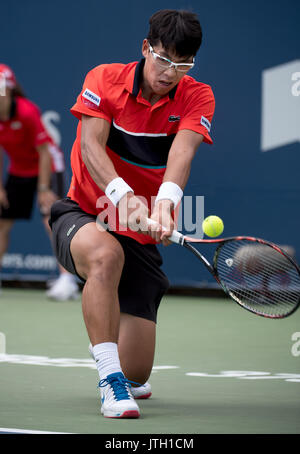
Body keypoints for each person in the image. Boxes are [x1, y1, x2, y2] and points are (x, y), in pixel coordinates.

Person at [49, 9, 215, 418]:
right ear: (146, 48)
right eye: (163, 59)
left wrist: (164, 205)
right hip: (85, 212)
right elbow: (91, 147)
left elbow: (182, 153)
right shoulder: (103, 79)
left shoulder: (197, 95)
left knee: (137, 373)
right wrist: (124, 197)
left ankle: (124, 373)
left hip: (139, 232)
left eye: (182, 65)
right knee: (107, 257)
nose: (169, 73)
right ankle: (109, 380)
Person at [0, 64, 79, 300]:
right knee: (2, 223)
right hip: (19, 170)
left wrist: (44, 188)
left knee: (51, 221)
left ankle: (67, 280)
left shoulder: (26, 111)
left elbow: (45, 152)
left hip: (48, 167)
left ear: (10, 90)